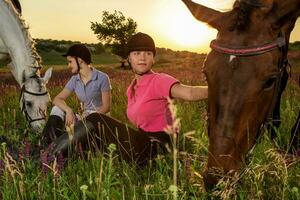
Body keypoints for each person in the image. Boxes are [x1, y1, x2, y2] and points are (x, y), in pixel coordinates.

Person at [45, 33, 207, 165]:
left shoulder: (160, 80)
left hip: (156, 147)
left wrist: (222, 88)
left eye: (148, 53)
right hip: (140, 142)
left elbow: (190, 93)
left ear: (153, 59)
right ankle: (53, 154)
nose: (142, 58)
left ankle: (45, 156)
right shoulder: (132, 88)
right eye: (137, 53)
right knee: (92, 137)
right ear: (129, 58)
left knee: (95, 118)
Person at [41, 44, 112, 147]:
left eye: (70, 62)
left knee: (81, 127)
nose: (68, 65)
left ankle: (58, 147)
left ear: (80, 60)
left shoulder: (102, 77)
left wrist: (86, 120)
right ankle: (46, 144)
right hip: (83, 118)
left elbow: (106, 107)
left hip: (98, 121)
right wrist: (68, 110)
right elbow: (57, 99)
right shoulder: (75, 79)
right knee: (57, 109)